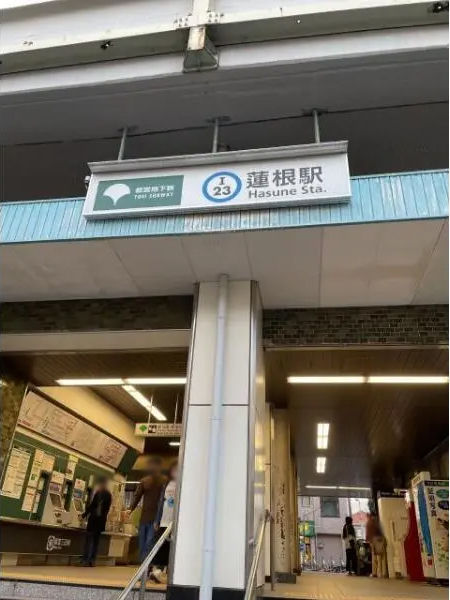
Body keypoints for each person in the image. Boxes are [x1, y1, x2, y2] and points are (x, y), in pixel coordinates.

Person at [127, 456, 167, 562]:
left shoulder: (163, 481)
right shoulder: (144, 481)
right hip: (144, 518)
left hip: (155, 519)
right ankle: (143, 565)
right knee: (142, 543)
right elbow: (137, 496)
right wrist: (130, 509)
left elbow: (163, 500)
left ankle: (146, 565)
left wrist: (160, 519)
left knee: (149, 543)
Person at [149, 461, 178, 583]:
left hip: (175, 522)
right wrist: (157, 519)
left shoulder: (184, 483)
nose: (176, 472)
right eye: (174, 469)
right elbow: (161, 502)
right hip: (164, 520)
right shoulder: (167, 483)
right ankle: (158, 571)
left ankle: (162, 572)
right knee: (160, 546)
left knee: (171, 548)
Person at [81, 475, 112, 566]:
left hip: (93, 520)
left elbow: (92, 506)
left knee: (89, 540)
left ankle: (85, 560)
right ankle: (92, 560)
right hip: (101, 521)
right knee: (95, 542)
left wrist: (83, 515)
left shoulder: (98, 493)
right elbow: (107, 509)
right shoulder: (108, 495)